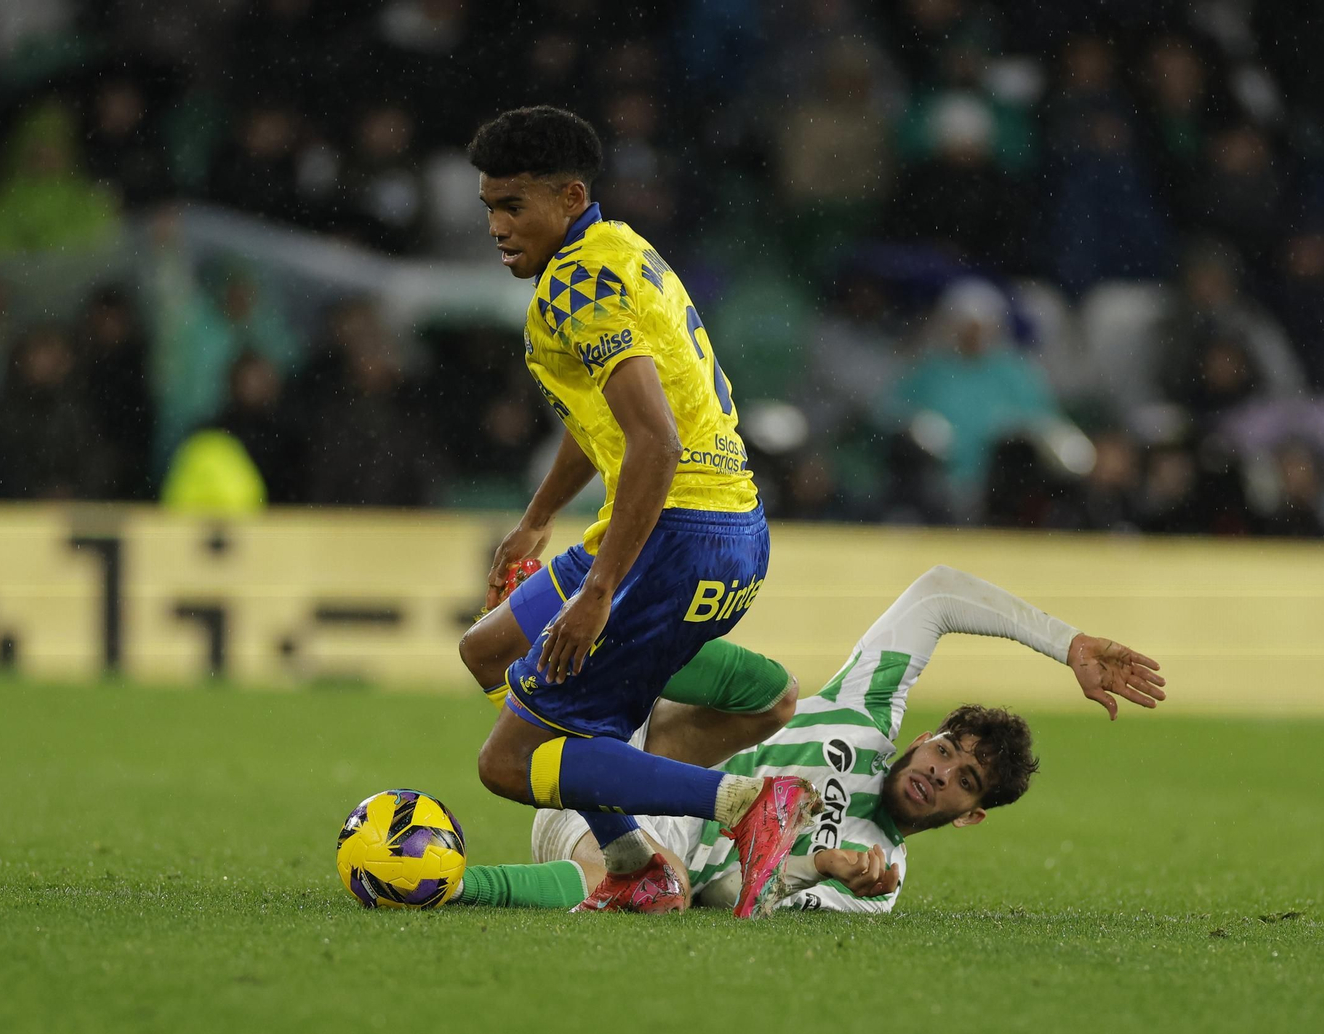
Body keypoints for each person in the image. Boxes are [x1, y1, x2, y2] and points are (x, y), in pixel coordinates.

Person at [455, 106, 816, 917]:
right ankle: (633, 863)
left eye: (513, 206)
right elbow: (610, 419)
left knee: (509, 765)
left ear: (569, 194)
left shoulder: (576, 286)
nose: (496, 226)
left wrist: (598, 591)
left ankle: (744, 806)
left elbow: (653, 443)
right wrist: (539, 516)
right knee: (489, 651)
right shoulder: (619, 250)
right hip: (701, 521)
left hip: (673, 531)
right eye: (487, 206)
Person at [449, 565, 1166, 913]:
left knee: (661, 886)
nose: (941, 772)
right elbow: (940, 593)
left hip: (611, 816)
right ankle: (590, 644)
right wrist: (1065, 641)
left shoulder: (873, 874)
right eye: (947, 750)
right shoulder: (869, 708)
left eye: (965, 782)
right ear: (924, 737)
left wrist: (816, 866)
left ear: (969, 815)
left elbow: (727, 898)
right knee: (774, 695)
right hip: (633, 730)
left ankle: (443, 887)